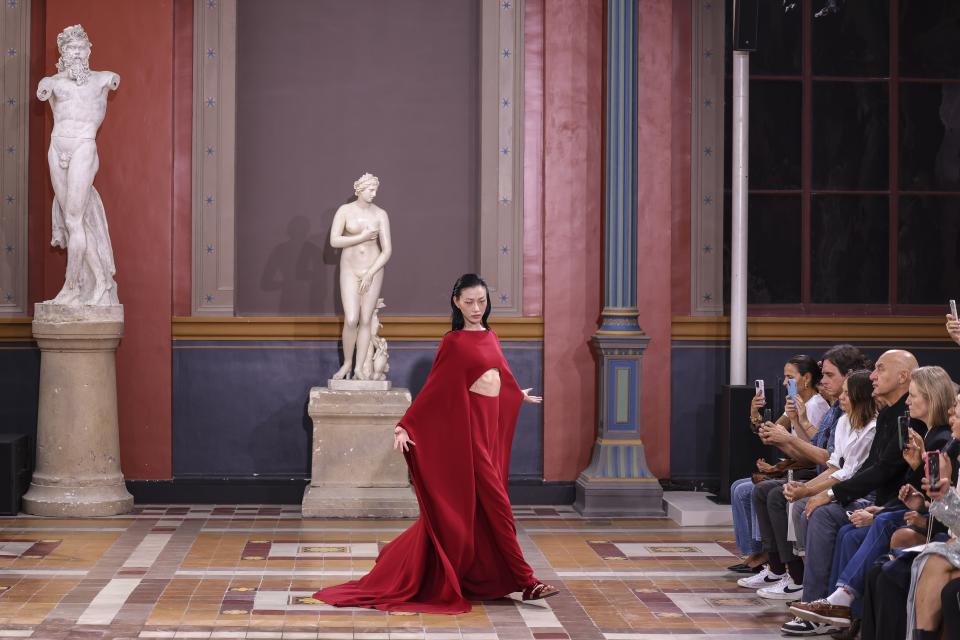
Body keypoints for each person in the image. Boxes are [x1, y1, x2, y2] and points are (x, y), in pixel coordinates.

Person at [313, 274, 555, 613]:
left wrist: (516, 395)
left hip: (489, 431)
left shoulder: (491, 336)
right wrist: (405, 425)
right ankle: (527, 582)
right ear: (456, 302)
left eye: (481, 302)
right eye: (469, 302)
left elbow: (499, 373)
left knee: (483, 513)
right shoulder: (453, 342)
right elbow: (435, 391)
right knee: (499, 510)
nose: (476, 308)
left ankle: (432, 566)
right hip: (468, 438)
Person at [789, 366, 956, 632]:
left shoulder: (942, 439)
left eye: (913, 397)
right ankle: (842, 613)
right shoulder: (927, 434)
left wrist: (882, 509)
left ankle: (840, 603)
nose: (908, 402)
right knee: (849, 535)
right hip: (911, 511)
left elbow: (932, 493)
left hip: (931, 525)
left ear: (931, 398)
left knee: (864, 526)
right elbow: (918, 488)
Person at [741, 345, 867, 603]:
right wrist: (779, 430)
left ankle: (801, 579)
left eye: (830, 375)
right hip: (825, 476)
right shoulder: (839, 414)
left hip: (846, 486)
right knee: (760, 490)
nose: (824, 381)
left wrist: (808, 489)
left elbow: (828, 459)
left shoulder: (837, 411)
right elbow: (821, 455)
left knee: (787, 499)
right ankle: (778, 568)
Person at [37, 24, 120, 306]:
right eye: (70, 48)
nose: (75, 53)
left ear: (88, 50)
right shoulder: (52, 84)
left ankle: (71, 288)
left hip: (84, 146)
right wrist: (47, 83)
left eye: (80, 48)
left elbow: (115, 79)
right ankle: (100, 281)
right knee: (76, 220)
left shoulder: (104, 80)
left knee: (73, 220)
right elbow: (44, 92)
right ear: (63, 52)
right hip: (57, 147)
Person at [728, 356, 827, 574]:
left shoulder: (816, 406)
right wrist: (754, 413)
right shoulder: (794, 403)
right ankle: (755, 552)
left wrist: (781, 460)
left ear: (807, 378)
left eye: (789, 378)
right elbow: (768, 432)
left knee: (749, 490)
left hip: (808, 470)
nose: (784, 383)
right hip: (793, 465)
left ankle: (769, 556)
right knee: (738, 486)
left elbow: (812, 452)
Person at [330, 173, 393, 380]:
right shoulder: (345, 211)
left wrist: (371, 272)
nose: (374, 194)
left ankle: (358, 367)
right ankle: (347, 364)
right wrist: (362, 237)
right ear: (360, 189)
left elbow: (387, 250)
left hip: (372, 270)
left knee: (365, 319)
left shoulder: (380, 214)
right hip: (349, 269)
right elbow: (334, 241)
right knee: (351, 319)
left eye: (376, 190)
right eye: (370, 190)